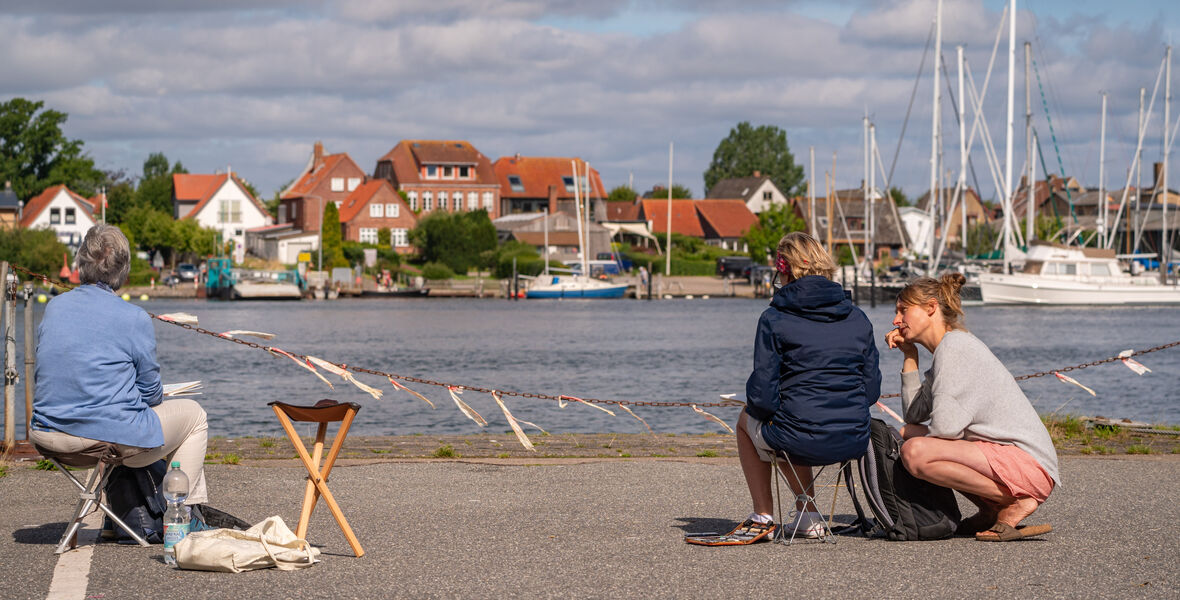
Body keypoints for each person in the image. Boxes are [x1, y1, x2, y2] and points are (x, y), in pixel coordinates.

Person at [31, 224, 211, 515]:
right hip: (100, 440)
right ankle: (183, 518)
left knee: (126, 414)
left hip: (47, 434)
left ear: (81, 264)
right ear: (123, 271)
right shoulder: (134, 317)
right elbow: (152, 395)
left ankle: (120, 519)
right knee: (194, 417)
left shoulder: (55, 307)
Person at [726, 232, 881, 543]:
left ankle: (763, 515)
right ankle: (808, 516)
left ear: (784, 270)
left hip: (798, 437)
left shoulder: (775, 318)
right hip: (853, 439)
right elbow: (871, 390)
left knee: (751, 418)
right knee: (793, 416)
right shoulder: (858, 317)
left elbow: (764, 396)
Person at [885, 273, 1059, 541]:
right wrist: (910, 357)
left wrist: (913, 435)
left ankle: (1013, 502)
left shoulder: (955, 348)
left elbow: (946, 430)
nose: (896, 320)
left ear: (931, 307)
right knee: (909, 434)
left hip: (1028, 465)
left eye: (903, 310)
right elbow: (914, 415)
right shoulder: (949, 348)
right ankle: (990, 507)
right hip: (1013, 461)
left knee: (916, 452)